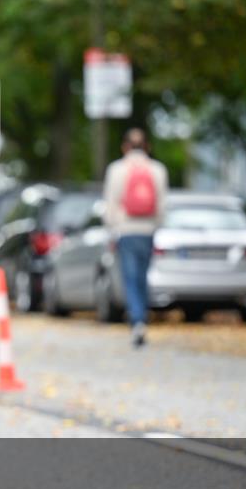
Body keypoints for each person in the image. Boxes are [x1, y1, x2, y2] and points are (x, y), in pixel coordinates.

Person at [102, 128, 168, 348]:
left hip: (126, 230)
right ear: (147, 146)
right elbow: (162, 205)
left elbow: (110, 203)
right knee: (142, 277)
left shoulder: (117, 169)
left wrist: (112, 228)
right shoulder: (157, 170)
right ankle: (142, 318)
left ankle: (137, 320)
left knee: (130, 278)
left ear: (125, 146)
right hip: (148, 231)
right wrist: (155, 226)